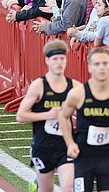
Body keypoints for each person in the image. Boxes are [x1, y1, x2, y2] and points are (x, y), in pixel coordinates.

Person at [16, 39, 79, 192]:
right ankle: (38, 182)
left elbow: (84, 112)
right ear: (47, 61)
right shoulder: (39, 85)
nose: (59, 63)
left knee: (69, 187)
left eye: (62, 59)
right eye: (55, 59)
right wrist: (48, 115)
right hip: (43, 146)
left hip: (66, 145)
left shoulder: (75, 86)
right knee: (47, 189)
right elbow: (20, 116)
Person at [59, 47, 109, 192]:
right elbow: (63, 115)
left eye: (105, 63)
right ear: (90, 67)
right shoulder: (79, 93)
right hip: (84, 156)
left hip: (107, 155)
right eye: (97, 64)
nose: (101, 68)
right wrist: (69, 143)